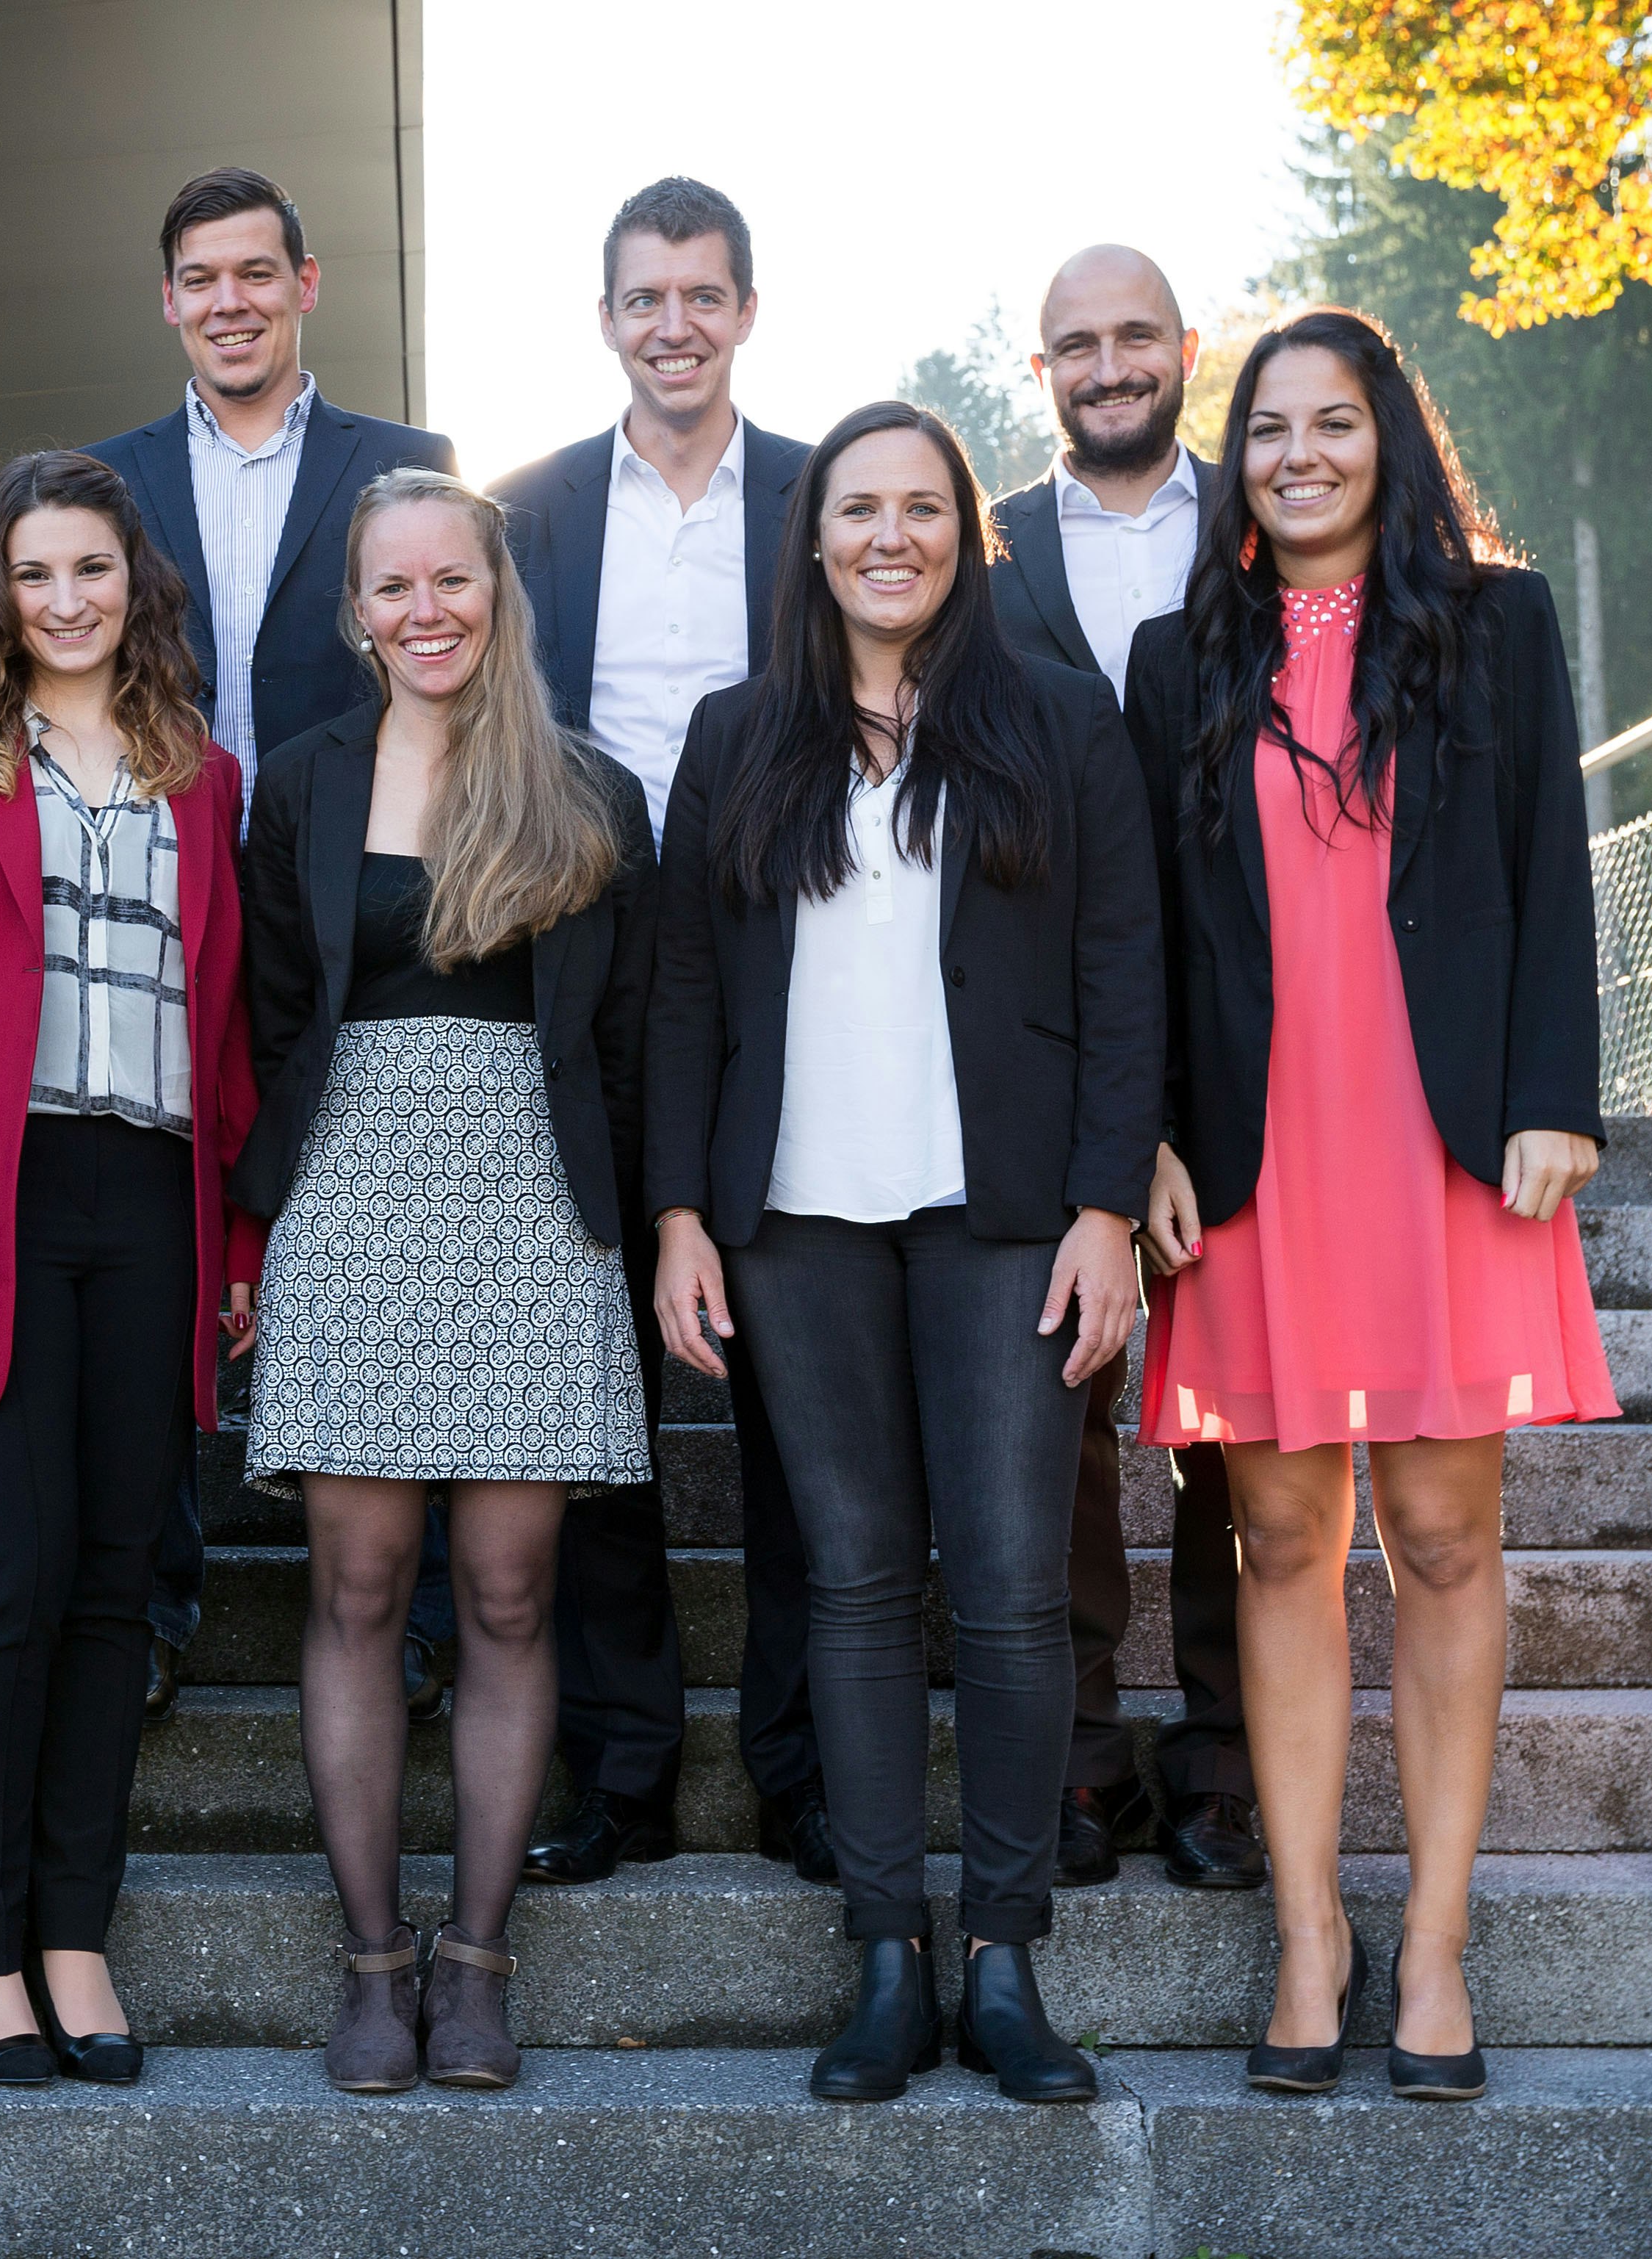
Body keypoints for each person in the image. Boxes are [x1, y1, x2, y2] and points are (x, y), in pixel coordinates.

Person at [1120, 306, 1620, 2105]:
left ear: (1389, 437)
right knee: (1278, 1533)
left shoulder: (1498, 623)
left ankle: (1435, 1948)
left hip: (1444, 1132)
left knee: (1444, 1530)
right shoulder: (1179, 656)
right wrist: (1146, 1136)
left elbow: (1548, 863)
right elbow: (1148, 927)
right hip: (1258, 1145)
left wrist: (1556, 1093)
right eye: (1267, 428)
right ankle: (1311, 1936)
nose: (1300, 455)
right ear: (1236, 458)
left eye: (1333, 422)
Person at [649, 402, 1161, 2107]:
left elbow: (1124, 972)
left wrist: (1107, 1204)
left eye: (923, 506)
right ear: (812, 538)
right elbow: (688, 991)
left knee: (1010, 1589)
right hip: (796, 1220)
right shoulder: (738, 734)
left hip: (1006, 1217)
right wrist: (679, 1214)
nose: (890, 534)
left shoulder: (1059, 720)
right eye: (858, 507)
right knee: (856, 1584)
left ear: (966, 533)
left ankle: (1003, 1957)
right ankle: (887, 1955)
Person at [0, 450, 261, 2089]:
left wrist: (238, 1242)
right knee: (3, 1580)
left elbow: (226, 1021)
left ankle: (75, 1937)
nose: (66, 598)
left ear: (134, 580)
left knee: (111, 1582)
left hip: (152, 1192)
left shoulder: (201, 773)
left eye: (92, 567)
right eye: (34, 573)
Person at [237, 468, 657, 2093]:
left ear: (498, 590)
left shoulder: (589, 789)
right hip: (350, 1189)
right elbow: (276, 1014)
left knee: (506, 1593)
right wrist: (255, 1229)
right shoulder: (303, 781)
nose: (426, 611)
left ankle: (476, 1962)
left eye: (452, 579)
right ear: (356, 612)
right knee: (356, 1588)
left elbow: (627, 1039)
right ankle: (370, 1963)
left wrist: (650, 1228)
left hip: (533, 1204)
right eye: (392, 586)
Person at [82, 165, 458, 1721]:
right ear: (168, 300)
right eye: (200, 278)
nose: (228, 301)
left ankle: (410, 1615)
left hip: (355, 886)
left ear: (306, 285)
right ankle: (151, 1601)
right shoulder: (104, 479)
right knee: (163, 1228)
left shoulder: (405, 463)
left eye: (256, 272)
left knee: (394, 1224)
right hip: (145, 885)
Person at [490, 176, 831, 1891]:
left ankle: (804, 1766)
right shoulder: (531, 509)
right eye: (646, 297)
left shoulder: (824, 496)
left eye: (704, 294)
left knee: (801, 1394)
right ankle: (622, 1768)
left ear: (746, 310)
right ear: (609, 319)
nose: (675, 324)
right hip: (589, 951)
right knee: (588, 1380)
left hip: (800, 957)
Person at [986, 245, 1261, 1893]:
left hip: (1248, 1022)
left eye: (1135, 336)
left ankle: (1226, 1753)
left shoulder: (1268, 518)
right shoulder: (983, 545)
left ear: (1187, 348)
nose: (1108, 366)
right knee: (1062, 1400)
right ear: (1042, 371)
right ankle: (1082, 1750)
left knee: (1244, 1406)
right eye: (1076, 343)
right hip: (1050, 1024)